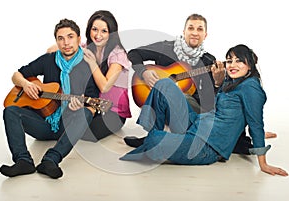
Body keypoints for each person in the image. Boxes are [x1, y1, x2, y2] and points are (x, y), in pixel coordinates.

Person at [120, 44, 288, 176]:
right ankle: (154, 133)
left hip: (207, 146)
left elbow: (255, 122)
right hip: (197, 126)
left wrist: (263, 164)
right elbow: (220, 110)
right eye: (230, 60)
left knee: (156, 140)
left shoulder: (252, 87)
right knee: (164, 84)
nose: (232, 64)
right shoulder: (231, 82)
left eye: (239, 61)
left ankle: (157, 138)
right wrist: (217, 84)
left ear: (249, 66)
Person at [124, 13, 255, 154]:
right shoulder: (166, 47)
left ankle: (234, 141)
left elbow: (209, 102)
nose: (194, 33)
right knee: (166, 90)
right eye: (191, 28)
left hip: (187, 112)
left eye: (200, 29)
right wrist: (143, 71)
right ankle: (152, 137)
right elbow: (134, 53)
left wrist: (218, 83)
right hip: (159, 104)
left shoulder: (208, 61)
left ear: (205, 35)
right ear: (184, 31)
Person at [0, 18, 99, 179]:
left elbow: (93, 105)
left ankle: (51, 160)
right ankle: (23, 161)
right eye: (61, 38)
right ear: (56, 41)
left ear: (79, 39)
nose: (66, 42)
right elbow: (16, 75)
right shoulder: (48, 59)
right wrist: (25, 84)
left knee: (86, 114)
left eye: (70, 36)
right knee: (10, 111)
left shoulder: (88, 65)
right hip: (43, 123)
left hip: (67, 126)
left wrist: (80, 107)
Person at [47, 10, 132, 142]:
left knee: (86, 132)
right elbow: (50, 51)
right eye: (94, 29)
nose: (98, 35)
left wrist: (92, 63)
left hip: (113, 112)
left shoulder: (118, 54)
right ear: (89, 30)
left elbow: (104, 87)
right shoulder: (87, 47)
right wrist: (71, 44)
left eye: (104, 31)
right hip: (92, 106)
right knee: (68, 124)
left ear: (111, 33)